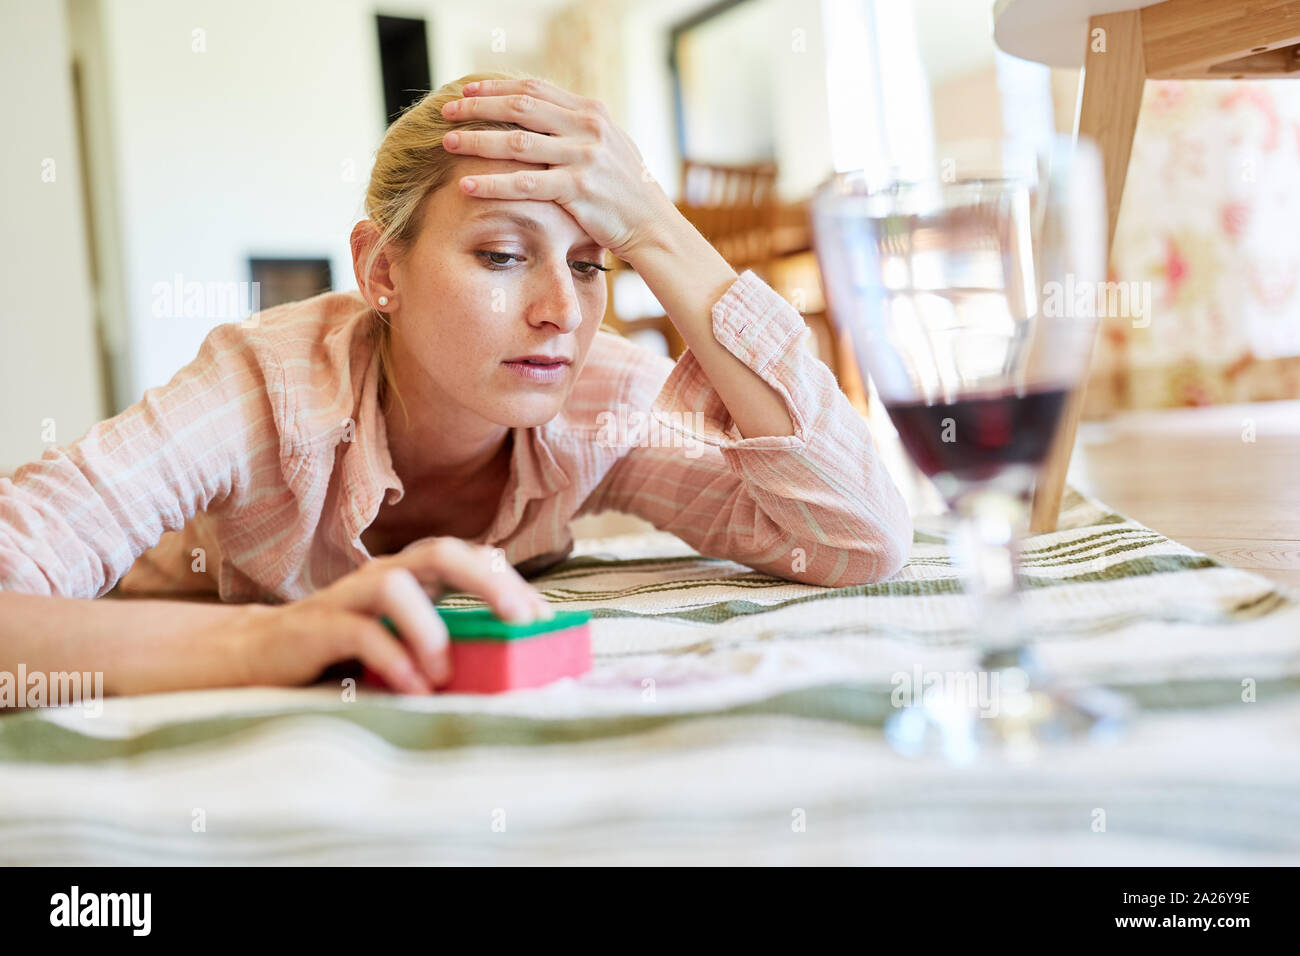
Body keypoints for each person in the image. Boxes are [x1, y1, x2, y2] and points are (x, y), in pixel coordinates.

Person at [0, 71, 912, 701]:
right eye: (504, 255)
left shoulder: (599, 403)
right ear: (382, 271)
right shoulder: (261, 390)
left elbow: (856, 537)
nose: (561, 310)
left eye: (592, 266)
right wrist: (270, 642)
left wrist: (657, 226)